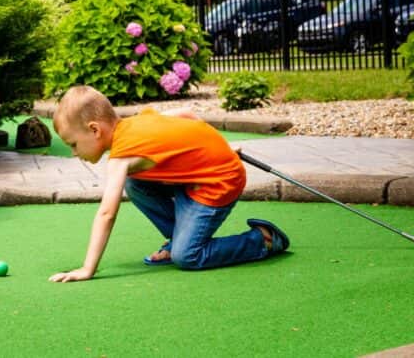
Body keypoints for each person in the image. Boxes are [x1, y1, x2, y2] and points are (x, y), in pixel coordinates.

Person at [48, 85, 289, 282]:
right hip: (197, 178)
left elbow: (107, 213)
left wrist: (87, 268)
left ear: (94, 130)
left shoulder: (120, 157)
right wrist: (221, 146)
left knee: (187, 256)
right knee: (135, 183)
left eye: (73, 144)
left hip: (219, 182)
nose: (73, 153)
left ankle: (262, 239)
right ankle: (177, 238)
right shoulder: (134, 122)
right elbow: (185, 114)